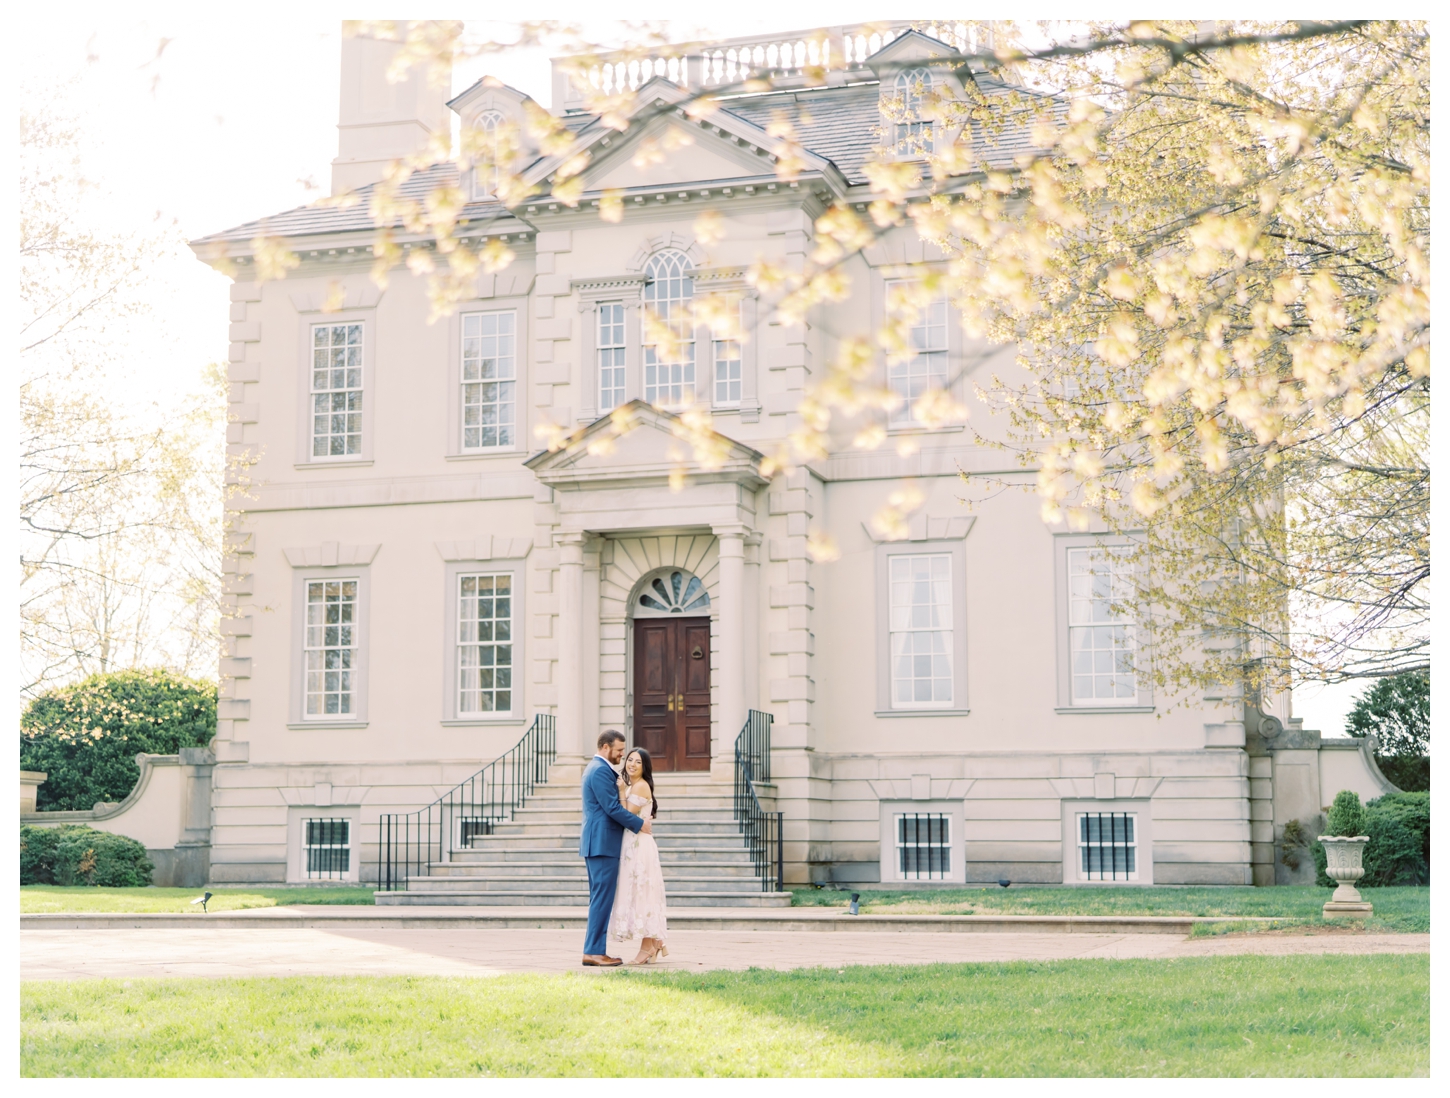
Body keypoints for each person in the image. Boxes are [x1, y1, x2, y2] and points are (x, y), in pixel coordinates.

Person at [580, 729, 649, 967]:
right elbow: (612, 808)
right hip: (602, 844)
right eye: (619, 750)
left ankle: (594, 950)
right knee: (602, 899)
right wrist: (641, 824)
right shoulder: (599, 770)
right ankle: (594, 952)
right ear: (605, 747)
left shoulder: (599, 769)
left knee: (600, 899)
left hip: (600, 843)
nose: (622, 754)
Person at [607, 746, 669, 965]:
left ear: (645, 767)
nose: (631, 764)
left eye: (638, 762)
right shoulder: (635, 785)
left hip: (640, 848)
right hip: (632, 845)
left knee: (642, 893)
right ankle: (654, 942)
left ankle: (647, 946)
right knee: (640, 892)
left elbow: (625, 815)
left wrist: (622, 791)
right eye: (629, 760)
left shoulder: (640, 786)